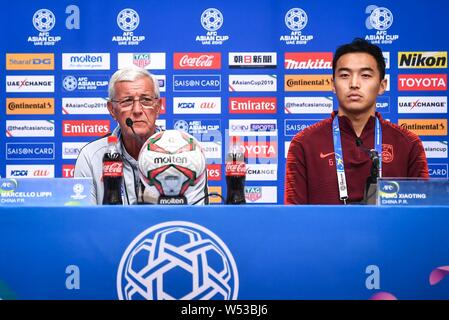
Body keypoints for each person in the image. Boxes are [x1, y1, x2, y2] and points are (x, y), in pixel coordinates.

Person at [285, 38, 428, 205]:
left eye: (365, 75)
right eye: (345, 75)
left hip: (388, 232)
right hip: (324, 232)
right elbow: (293, 219)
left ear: (382, 85)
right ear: (333, 84)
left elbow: (420, 215)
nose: (354, 84)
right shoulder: (304, 143)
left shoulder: (408, 144)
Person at [74, 66, 208, 205]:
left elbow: (195, 218)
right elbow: (84, 220)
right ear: (112, 110)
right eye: (127, 101)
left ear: (158, 107)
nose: (137, 110)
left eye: (146, 100)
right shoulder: (91, 156)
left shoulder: (189, 153)